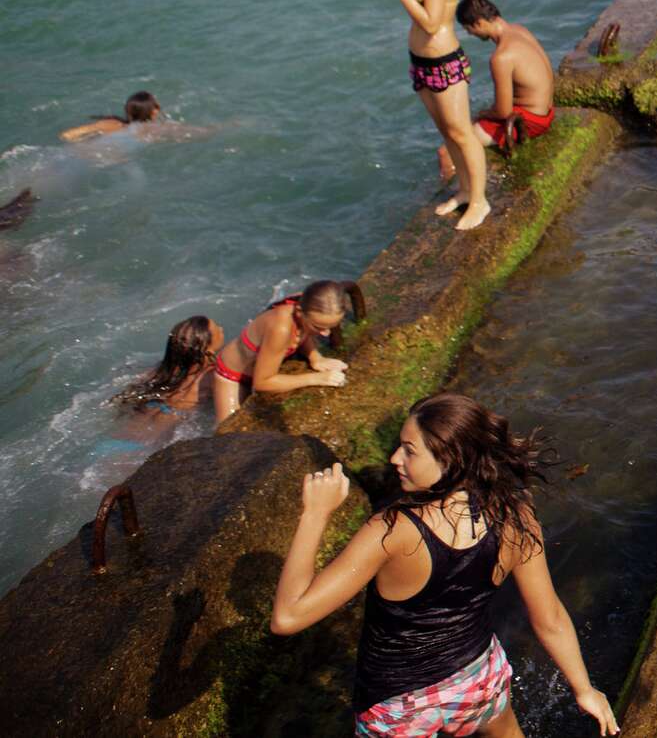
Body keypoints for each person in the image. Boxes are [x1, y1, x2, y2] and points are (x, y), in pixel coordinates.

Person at [270, 393, 619, 737]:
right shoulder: (516, 514)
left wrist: (316, 513)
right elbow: (550, 619)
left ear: (450, 459)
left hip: (399, 705)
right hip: (477, 680)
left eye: (409, 450)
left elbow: (288, 617)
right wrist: (584, 689)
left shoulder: (392, 530)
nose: (394, 458)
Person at [377, 0, 491, 231]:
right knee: (446, 131)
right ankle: (465, 190)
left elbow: (430, 23)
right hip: (423, 62)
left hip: (444, 61)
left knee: (461, 132)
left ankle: (480, 201)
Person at [211, 280, 353, 422]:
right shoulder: (280, 329)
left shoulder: (308, 302)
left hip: (257, 366)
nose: (326, 334)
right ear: (299, 312)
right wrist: (316, 378)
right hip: (233, 376)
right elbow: (262, 383)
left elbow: (301, 332)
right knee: (228, 433)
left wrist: (315, 357)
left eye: (332, 326)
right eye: (318, 327)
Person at [451, 0, 556, 158]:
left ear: (479, 23)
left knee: (452, 147)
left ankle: (456, 184)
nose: (471, 35)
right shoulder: (520, 30)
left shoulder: (501, 57)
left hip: (531, 122)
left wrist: (482, 114)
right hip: (547, 112)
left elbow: (503, 112)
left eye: (468, 29)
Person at [115, 315, 223, 416]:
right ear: (207, 350)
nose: (221, 328)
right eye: (217, 328)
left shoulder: (160, 371)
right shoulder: (212, 374)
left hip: (144, 414)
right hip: (173, 421)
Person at [60, 90, 161, 141]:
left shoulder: (111, 123)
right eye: (156, 105)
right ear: (153, 112)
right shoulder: (150, 131)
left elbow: (66, 135)